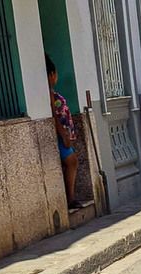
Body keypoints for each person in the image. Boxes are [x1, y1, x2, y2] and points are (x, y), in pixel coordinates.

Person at [47, 56, 83, 210]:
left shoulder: (52, 92)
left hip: (64, 135)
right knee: (71, 161)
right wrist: (63, 134)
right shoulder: (49, 94)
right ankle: (70, 198)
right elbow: (54, 116)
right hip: (60, 135)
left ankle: (71, 197)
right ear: (52, 74)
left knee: (72, 161)